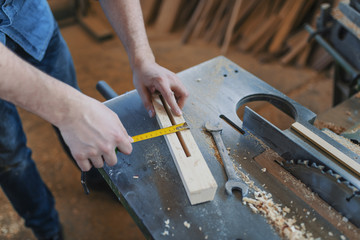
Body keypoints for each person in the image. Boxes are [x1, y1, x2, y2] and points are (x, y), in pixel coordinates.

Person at [0, 0, 188, 239]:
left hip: (34, 23)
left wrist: (142, 57)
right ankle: (46, 228)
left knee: (75, 123)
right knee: (11, 158)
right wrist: (68, 110)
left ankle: (99, 180)